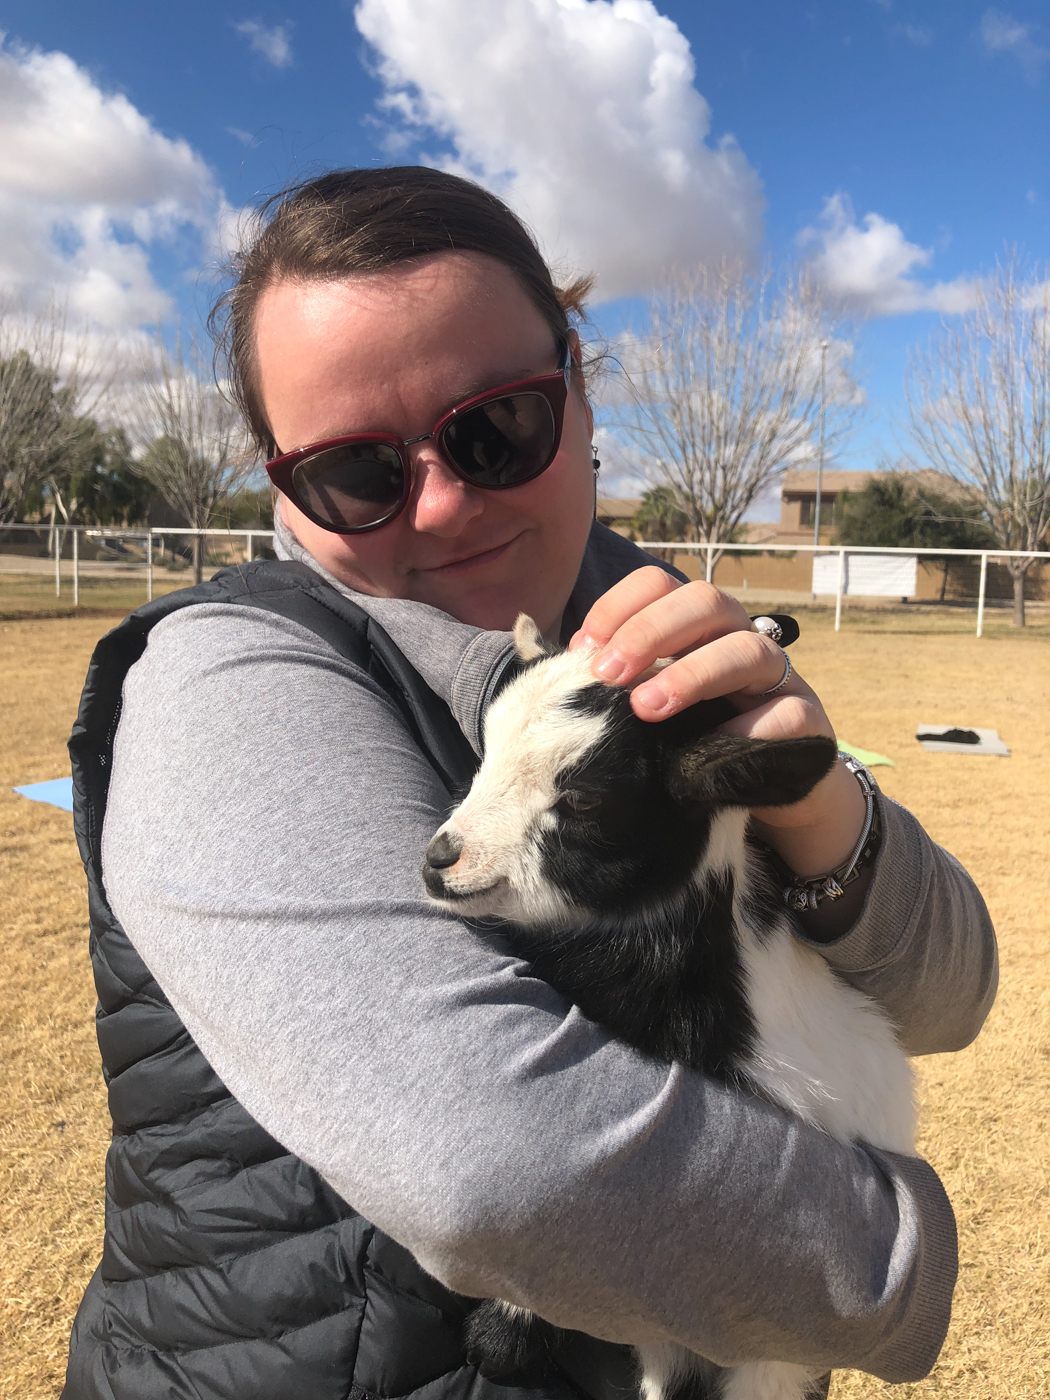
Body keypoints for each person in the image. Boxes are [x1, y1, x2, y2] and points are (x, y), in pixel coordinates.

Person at [63, 167, 997, 1400]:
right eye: (356, 470)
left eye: (495, 424)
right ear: (280, 484)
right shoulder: (225, 679)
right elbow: (493, 1168)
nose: (444, 503)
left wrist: (814, 806)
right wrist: (903, 1260)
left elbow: (949, 997)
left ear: (579, 383)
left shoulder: (648, 649)